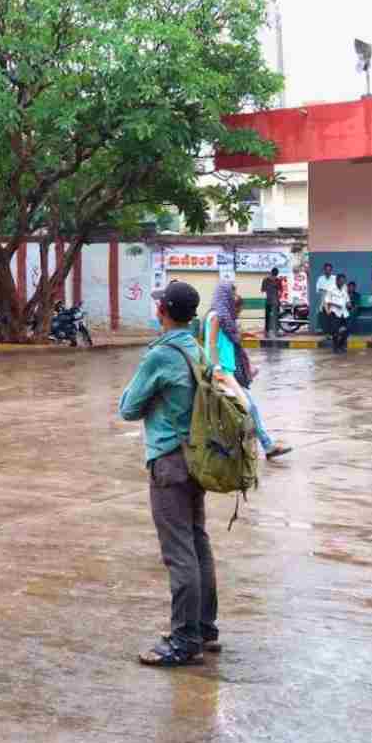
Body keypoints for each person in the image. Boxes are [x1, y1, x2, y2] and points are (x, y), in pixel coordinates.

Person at [121, 281, 217, 668]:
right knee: (197, 543)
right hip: (197, 459)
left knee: (179, 552)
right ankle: (204, 628)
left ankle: (183, 640)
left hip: (169, 461)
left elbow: (129, 407)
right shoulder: (196, 349)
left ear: (164, 311)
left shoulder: (161, 355)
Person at [205, 283, 292, 461]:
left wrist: (246, 336)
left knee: (242, 409)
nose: (234, 296)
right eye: (232, 293)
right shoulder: (216, 316)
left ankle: (257, 446)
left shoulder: (224, 317)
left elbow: (229, 338)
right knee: (247, 407)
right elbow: (212, 343)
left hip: (228, 370)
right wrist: (217, 368)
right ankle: (260, 446)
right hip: (222, 372)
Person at [323, 272, 351, 351]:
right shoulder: (331, 288)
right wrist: (334, 305)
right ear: (337, 281)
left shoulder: (344, 288)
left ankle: (341, 345)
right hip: (335, 312)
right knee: (335, 331)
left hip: (344, 312)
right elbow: (327, 301)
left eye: (344, 281)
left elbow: (347, 299)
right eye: (341, 281)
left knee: (348, 329)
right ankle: (335, 348)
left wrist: (349, 304)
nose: (342, 283)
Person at [314, 263, 337, 335]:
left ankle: (333, 333)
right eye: (326, 270)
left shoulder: (335, 278)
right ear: (324, 270)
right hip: (324, 301)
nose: (328, 271)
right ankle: (327, 333)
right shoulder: (320, 278)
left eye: (329, 270)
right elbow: (318, 290)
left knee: (333, 318)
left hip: (334, 301)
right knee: (325, 318)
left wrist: (326, 290)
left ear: (331, 270)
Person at [261, 267, 282, 336]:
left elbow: (262, 290)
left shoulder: (265, 280)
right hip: (275, 301)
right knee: (276, 317)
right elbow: (280, 291)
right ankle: (276, 331)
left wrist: (268, 289)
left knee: (268, 317)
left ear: (271, 272)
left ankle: (267, 331)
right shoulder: (278, 280)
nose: (274, 277)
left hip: (269, 301)